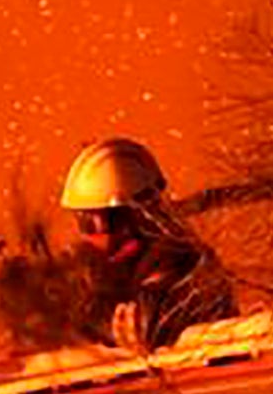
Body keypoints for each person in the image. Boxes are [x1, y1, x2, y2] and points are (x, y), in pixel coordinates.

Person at [53, 137, 235, 351]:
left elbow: (148, 327)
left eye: (107, 220)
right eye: (86, 222)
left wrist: (79, 307)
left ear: (139, 215)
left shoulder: (177, 256)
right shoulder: (111, 268)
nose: (97, 234)